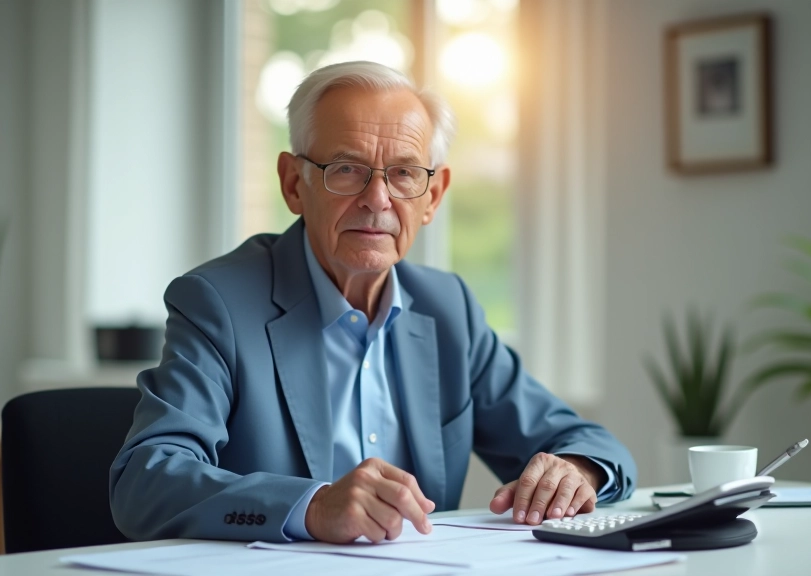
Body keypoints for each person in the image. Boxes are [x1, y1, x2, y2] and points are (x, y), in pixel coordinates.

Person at [109, 60, 636, 544]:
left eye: (405, 173)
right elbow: (146, 479)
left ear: (433, 196)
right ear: (295, 184)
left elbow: (583, 439)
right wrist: (312, 506)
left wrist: (578, 469)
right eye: (346, 168)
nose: (377, 199)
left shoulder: (447, 307)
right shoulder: (218, 303)